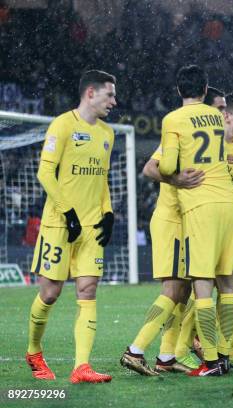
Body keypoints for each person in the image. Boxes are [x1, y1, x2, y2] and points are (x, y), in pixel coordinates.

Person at [26, 69, 117, 384]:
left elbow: (102, 177)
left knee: (88, 289)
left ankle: (81, 367)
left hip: (91, 227)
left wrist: (107, 212)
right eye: (109, 95)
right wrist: (68, 212)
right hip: (59, 224)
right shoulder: (62, 125)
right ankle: (34, 352)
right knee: (50, 293)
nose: (114, 102)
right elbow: (45, 173)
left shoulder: (107, 133)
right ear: (90, 93)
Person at [158, 65, 233, 377]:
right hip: (229, 202)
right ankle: (224, 353)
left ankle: (210, 360)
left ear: (180, 90)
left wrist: (178, 174)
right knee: (229, 282)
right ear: (205, 90)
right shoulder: (217, 117)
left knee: (202, 284)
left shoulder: (173, 119)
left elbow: (166, 166)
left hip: (201, 204)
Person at [119, 141, 204, 375]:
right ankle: (135, 350)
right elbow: (149, 168)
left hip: (187, 223)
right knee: (172, 289)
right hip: (172, 223)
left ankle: (166, 357)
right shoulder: (181, 136)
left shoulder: (210, 142)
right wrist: (177, 179)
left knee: (184, 291)